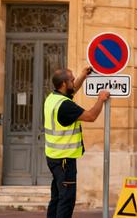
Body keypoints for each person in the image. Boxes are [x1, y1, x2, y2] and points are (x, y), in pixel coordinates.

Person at [45, 67, 109, 218]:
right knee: (66, 200)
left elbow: (72, 91)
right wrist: (101, 99)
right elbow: (91, 116)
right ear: (63, 84)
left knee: (57, 198)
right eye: (72, 80)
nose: (74, 82)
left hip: (54, 157)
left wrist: (82, 76)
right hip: (64, 161)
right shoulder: (65, 106)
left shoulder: (52, 98)